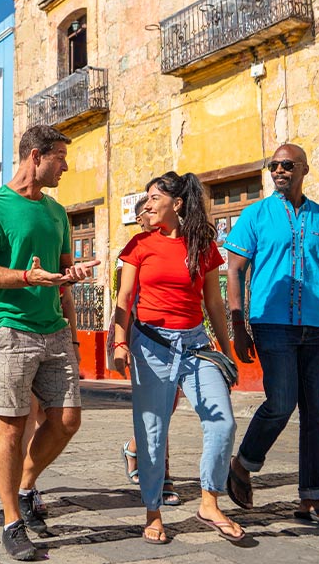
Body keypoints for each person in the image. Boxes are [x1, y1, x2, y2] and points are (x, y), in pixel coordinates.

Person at [0, 125, 98, 561]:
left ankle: (25, 485)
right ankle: (11, 520)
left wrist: (73, 280)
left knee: (67, 420)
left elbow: (62, 273)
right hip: (8, 329)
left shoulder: (57, 212)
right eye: (60, 157)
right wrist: (26, 276)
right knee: (12, 426)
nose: (65, 165)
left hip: (54, 330)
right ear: (36, 155)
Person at [111, 172, 241, 545]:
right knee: (152, 432)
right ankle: (153, 512)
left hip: (196, 344)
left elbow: (213, 303)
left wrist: (226, 352)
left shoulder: (203, 245)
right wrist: (120, 343)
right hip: (150, 345)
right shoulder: (139, 245)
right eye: (146, 199)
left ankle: (209, 503)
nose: (147, 205)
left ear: (177, 203)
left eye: (154, 198)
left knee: (223, 423)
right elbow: (124, 300)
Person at [225, 144, 319, 529]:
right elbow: (235, 270)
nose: (279, 170)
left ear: (304, 170)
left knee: (318, 414)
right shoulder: (256, 215)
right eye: (273, 165)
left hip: (315, 327)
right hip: (271, 323)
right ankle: (243, 463)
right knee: (280, 401)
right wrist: (238, 326)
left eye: (287, 165)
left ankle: (312, 497)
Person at [116, 196, 181, 507]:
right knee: (156, 407)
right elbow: (123, 299)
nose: (144, 217)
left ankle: (134, 448)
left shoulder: (172, 246)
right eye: (142, 213)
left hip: (175, 337)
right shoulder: (133, 250)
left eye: (147, 210)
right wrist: (121, 341)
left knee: (167, 406)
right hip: (140, 335)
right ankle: (164, 476)